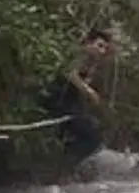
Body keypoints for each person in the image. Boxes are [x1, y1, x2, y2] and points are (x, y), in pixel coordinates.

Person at [41, 28, 113, 161]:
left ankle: (69, 160)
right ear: (88, 43)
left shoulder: (92, 62)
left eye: (105, 48)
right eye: (99, 45)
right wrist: (89, 91)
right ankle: (70, 163)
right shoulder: (79, 54)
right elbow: (70, 74)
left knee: (91, 132)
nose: (102, 51)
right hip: (59, 100)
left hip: (71, 104)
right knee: (90, 136)